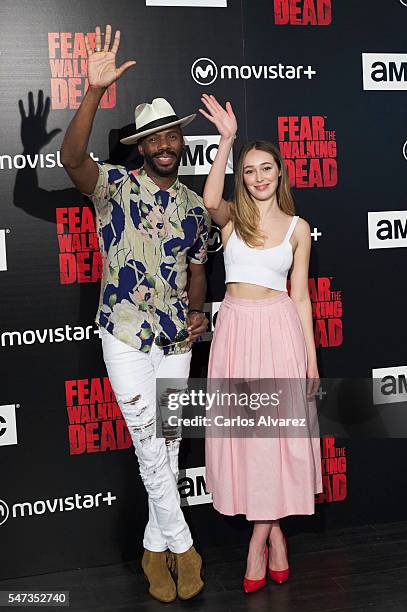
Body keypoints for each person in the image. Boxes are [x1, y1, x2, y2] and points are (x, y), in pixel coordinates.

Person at [60, 25, 210, 604]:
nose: (164, 143)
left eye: (171, 132)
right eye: (153, 137)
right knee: (150, 442)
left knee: (168, 446)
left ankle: (153, 545)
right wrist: (95, 92)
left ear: (179, 139)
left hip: (177, 340)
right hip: (125, 335)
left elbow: (198, 268)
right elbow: (71, 157)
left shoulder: (196, 206)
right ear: (142, 146)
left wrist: (198, 313)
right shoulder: (113, 186)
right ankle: (183, 543)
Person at [199, 94, 323, 593]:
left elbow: (301, 299)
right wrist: (227, 140)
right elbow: (208, 201)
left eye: (265, 168)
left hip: (279, 335)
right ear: (242, 176)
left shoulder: (299, 229)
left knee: (277, 440)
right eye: (249, 171)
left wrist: (312, 363)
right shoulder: (233, 219)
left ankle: (261, 541)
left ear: (279, 172)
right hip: (235, 332)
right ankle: (275, 540)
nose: (258, 177)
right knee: (248, 440)